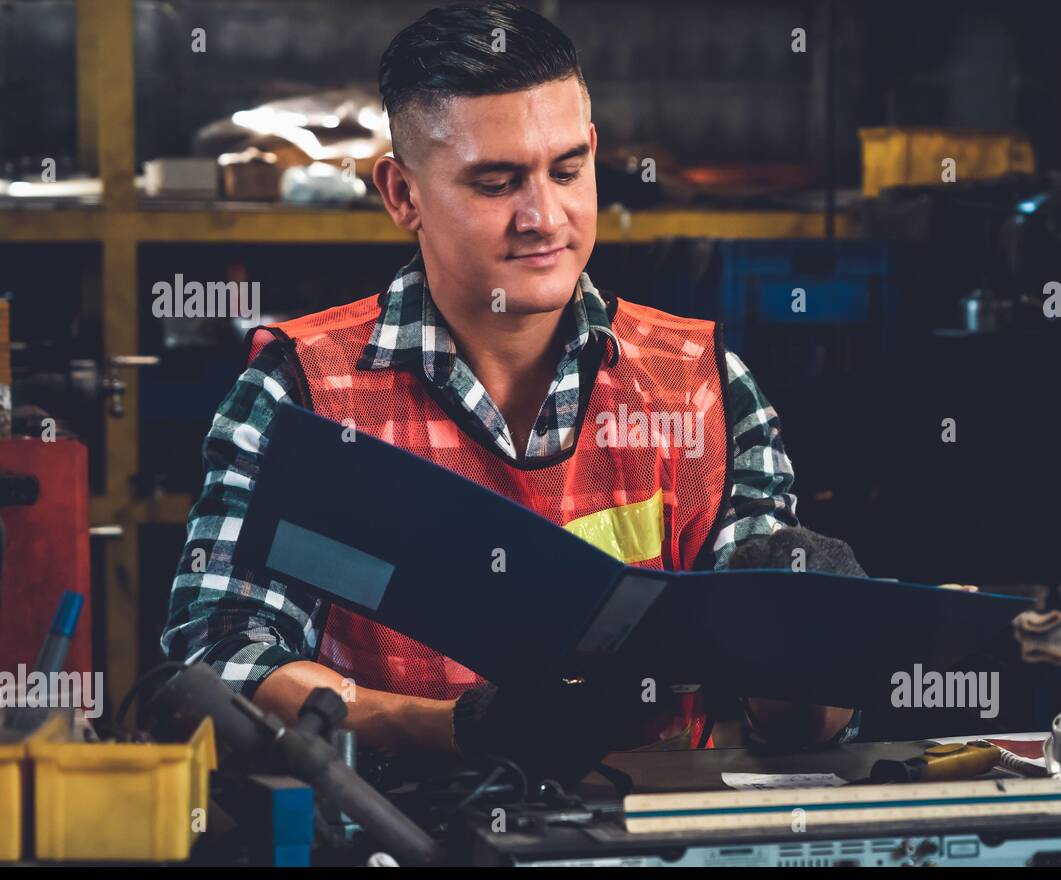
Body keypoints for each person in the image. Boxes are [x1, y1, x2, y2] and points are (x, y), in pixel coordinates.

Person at [162, 2, 854, 779]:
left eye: (566, 170)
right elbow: (218, 661)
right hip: (388, 834)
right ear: (402, 194)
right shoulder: (303, 395)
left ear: (594, 153)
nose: (544, 216)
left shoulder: (698, 387)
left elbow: (792, 725)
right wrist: (457, 729)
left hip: (647, 837)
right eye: (496, 183)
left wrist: (817, 642)